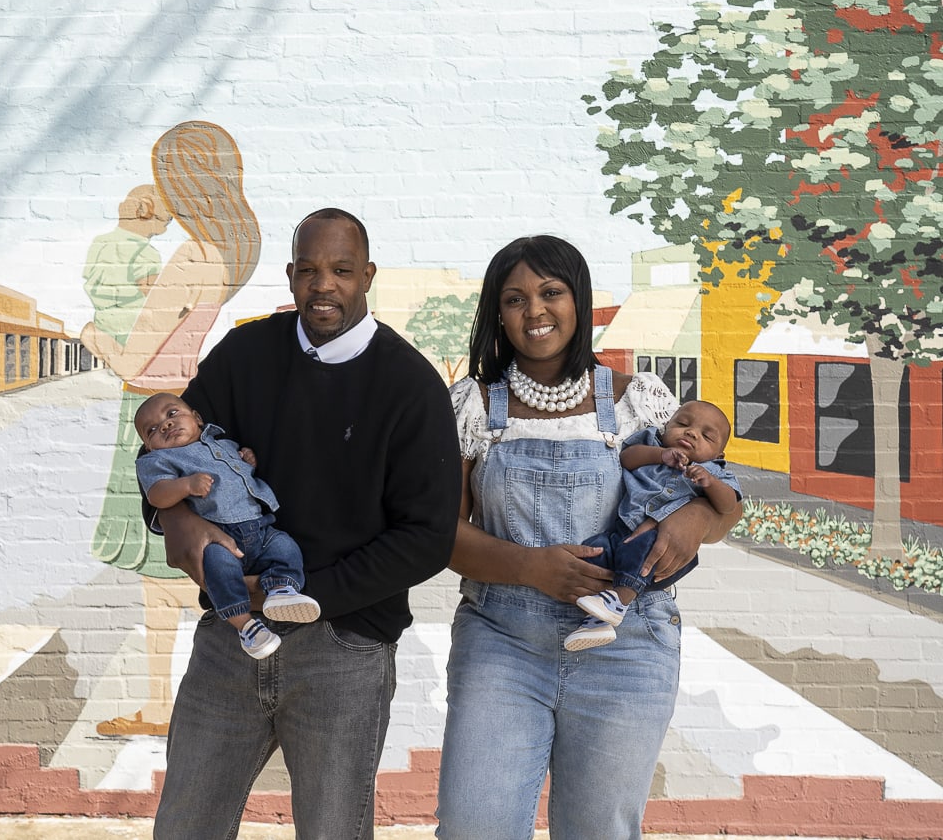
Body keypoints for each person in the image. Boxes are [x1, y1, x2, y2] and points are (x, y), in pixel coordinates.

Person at [151, 209, 461, 839]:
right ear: (291, 276)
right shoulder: (245, 355)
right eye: (310, 270)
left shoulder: (409, 384)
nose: (325, 285)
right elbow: (163, 447)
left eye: (342, 270)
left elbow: (428, 538)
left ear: (367, 275)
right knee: (184, 827)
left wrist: (309, 594)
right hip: (231, 634)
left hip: (344, 649)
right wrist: (176, 520)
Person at [438, 235, 742, 839]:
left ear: (578, 300)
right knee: (476, 826)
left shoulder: (637, 400)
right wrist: (529, 567)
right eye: (515, 298)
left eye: (551, 292)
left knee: (598, 830)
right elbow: (439, 535)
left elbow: (709, 497)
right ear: (496, 313)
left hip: (627, 643)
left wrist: (695, 520)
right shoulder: (473, 404)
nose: (535, 311)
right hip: (503, 638)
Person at [90, 121, 262, 738]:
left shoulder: (189, 258)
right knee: (180, 561)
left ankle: (165, 705)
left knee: (162, 564)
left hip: (147, 410)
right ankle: (177, 701)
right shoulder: (221, 256)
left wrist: (93, 336)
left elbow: (135, 360)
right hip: (182, 410)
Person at [134, 392, 321, 660]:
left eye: (172, 414)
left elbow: (238, 470)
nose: (165, 425)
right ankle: (246, 627)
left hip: (259, 529)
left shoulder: (222, 443)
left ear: (197, 419)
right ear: (149, 446)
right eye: (152, 429)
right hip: (218, 537)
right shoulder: (157, 461)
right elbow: (157, 495)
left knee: (285, 547)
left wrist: (245, 458)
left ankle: (282, 590)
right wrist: (185, 485)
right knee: (219, 572)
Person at [565, 398, 741, 651]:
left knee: (642, 552)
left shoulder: (716, 471)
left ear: (718, 454)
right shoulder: (651, 444)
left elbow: (728, 506)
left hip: (661, 542)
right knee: (596, 548)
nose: (691, 433)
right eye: (683, 424)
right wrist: (661, 455)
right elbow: (627, 457)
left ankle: (618, 603)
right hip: (622, 530)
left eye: (706, 436)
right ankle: (596, 624)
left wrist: (710, 482)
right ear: (667, 426)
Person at [81, 184, 172, 348]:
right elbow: (152, 298)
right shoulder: (147, 253)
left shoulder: (99, 242)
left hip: (103, 324)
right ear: (144, 210)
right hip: (134, 333)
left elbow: (90, 281)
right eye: (168, 216)